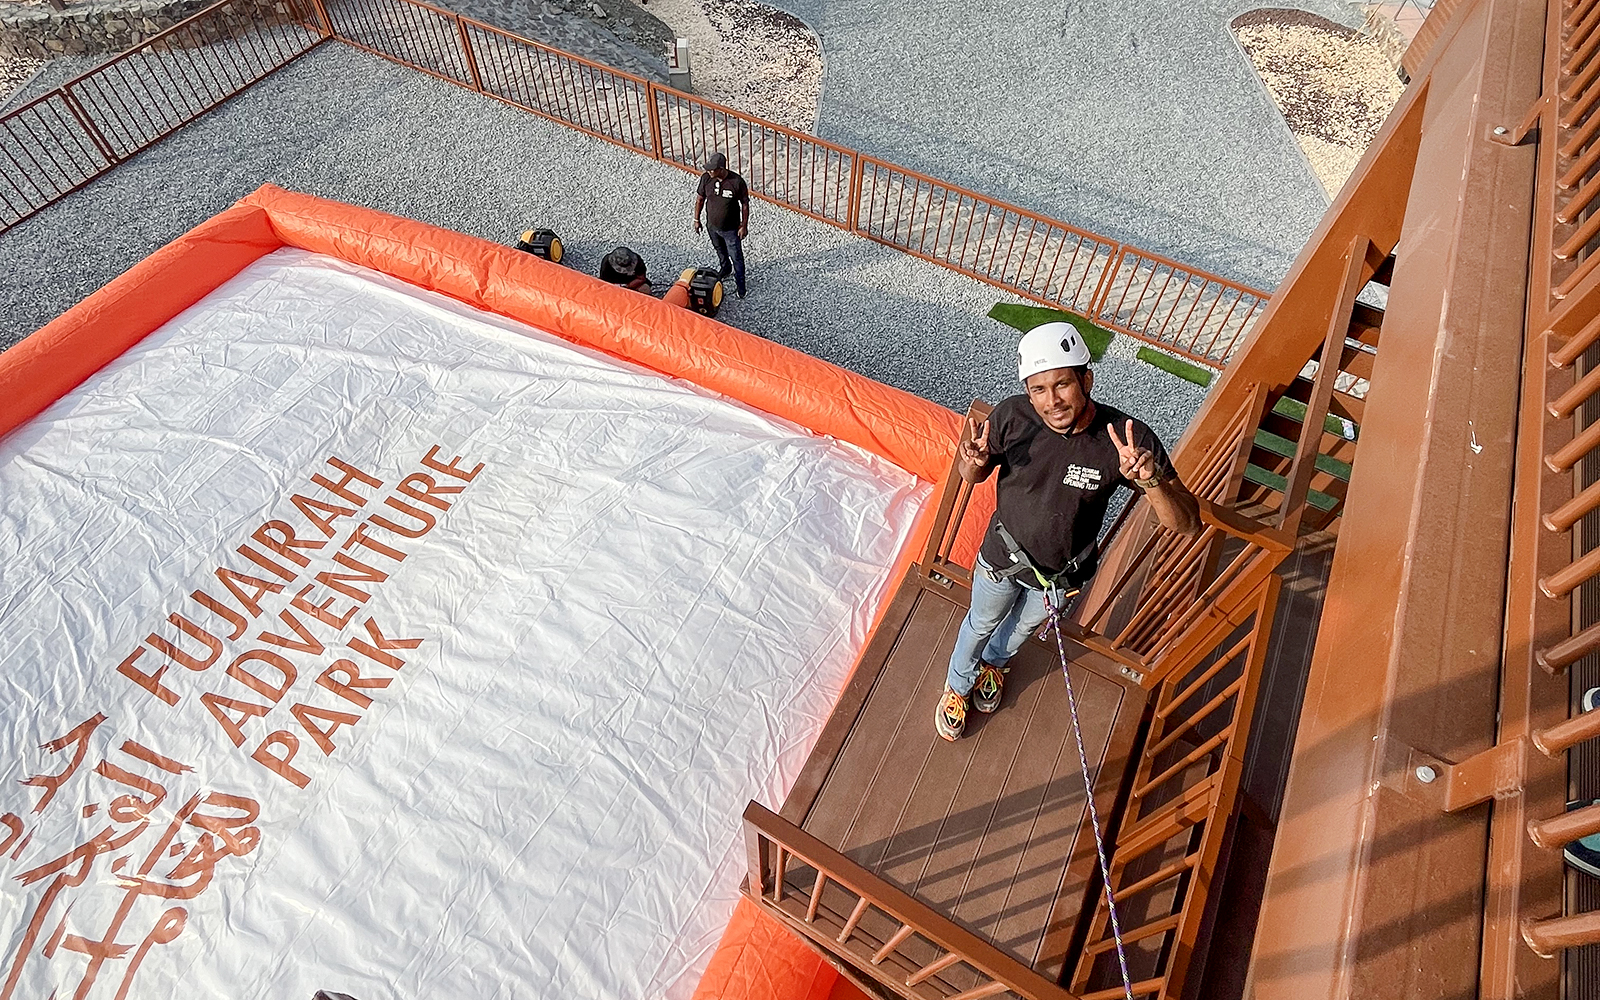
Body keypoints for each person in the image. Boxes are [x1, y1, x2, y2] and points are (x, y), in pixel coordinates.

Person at [935, 322, 1202, 741]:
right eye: (1038, 389)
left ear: (1087, 379)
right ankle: (957, 684)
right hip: (1002, 560)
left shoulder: (1123, 440)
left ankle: (994, 664)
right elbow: (974, 473)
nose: (1051, 401)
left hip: (1060, 578)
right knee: (980, 622)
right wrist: (970, 461)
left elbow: (1186, 523)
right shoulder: (1013, 417)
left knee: (1020, 630)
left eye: (1062, 384)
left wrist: (1149, 480)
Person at [692, 152, 750, 298]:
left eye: (713, 169)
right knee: (720, 250)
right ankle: (725, 268)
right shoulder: (706, 179)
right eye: (709, 169)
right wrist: (696, 219)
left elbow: (744, 204)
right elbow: (700, 199)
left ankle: (741, 286)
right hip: (712, 226)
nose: (709, 171)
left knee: (736, 256)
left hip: (731, 230)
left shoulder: (736, 182)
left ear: (722, 168)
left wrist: (744, 225)